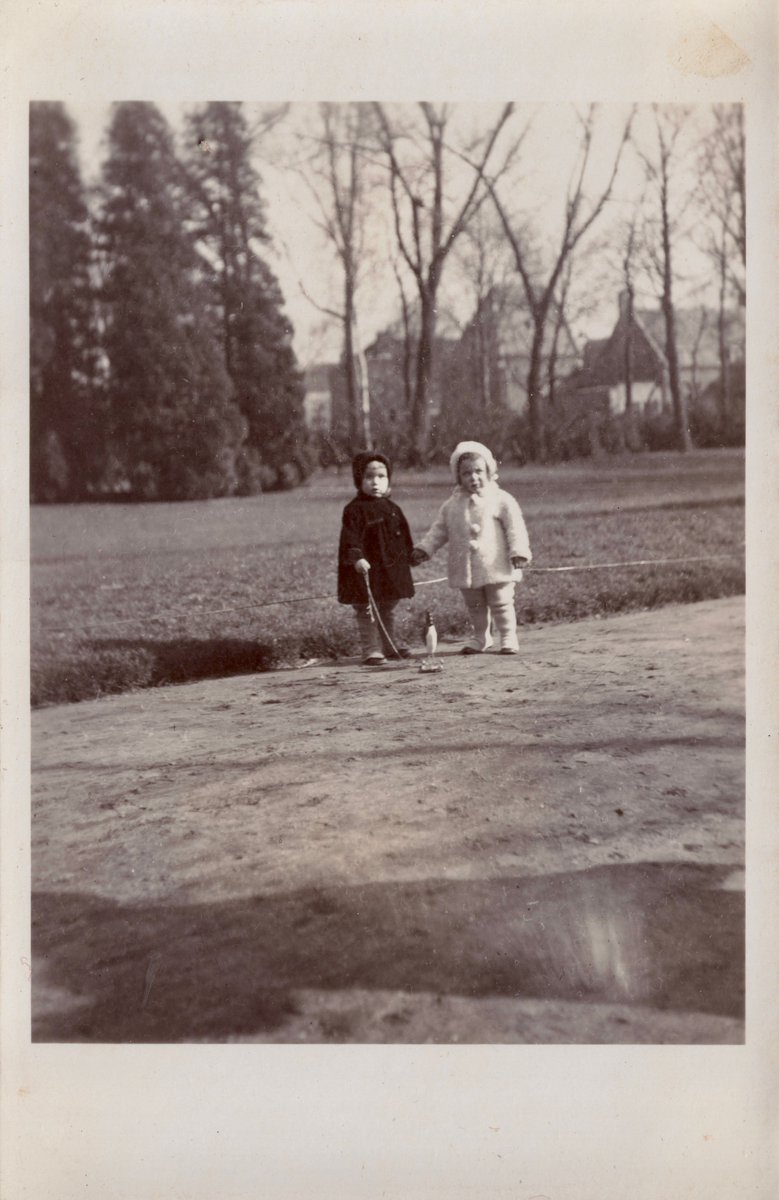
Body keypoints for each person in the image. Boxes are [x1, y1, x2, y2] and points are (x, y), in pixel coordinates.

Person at [410, 440, 531, 655]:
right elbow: (439, 531)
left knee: (501, 601)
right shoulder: (451, 505)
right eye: (466, 473)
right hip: (465, 567)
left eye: (478, 471)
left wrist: (519, 551)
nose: (473, 477)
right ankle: (481, 637)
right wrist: (425, 549)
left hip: (496, 563)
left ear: (489, 471)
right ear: (458, 477)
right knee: (475, 605)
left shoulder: (501, 499)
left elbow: (516, 528)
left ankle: (508, 636)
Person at [337, 451, 415, 666]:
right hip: (366, 569)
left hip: (389, 570)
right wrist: (357, 558)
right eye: (369, 477)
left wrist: (411, 555)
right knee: (366, 608)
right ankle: (371, 649)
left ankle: (389, 644)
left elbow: (403, 536)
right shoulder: (354, 510)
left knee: (387, 607)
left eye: (382, 477)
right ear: (358, 480)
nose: (376, 482)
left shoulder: (392, 509)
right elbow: (350, 538)